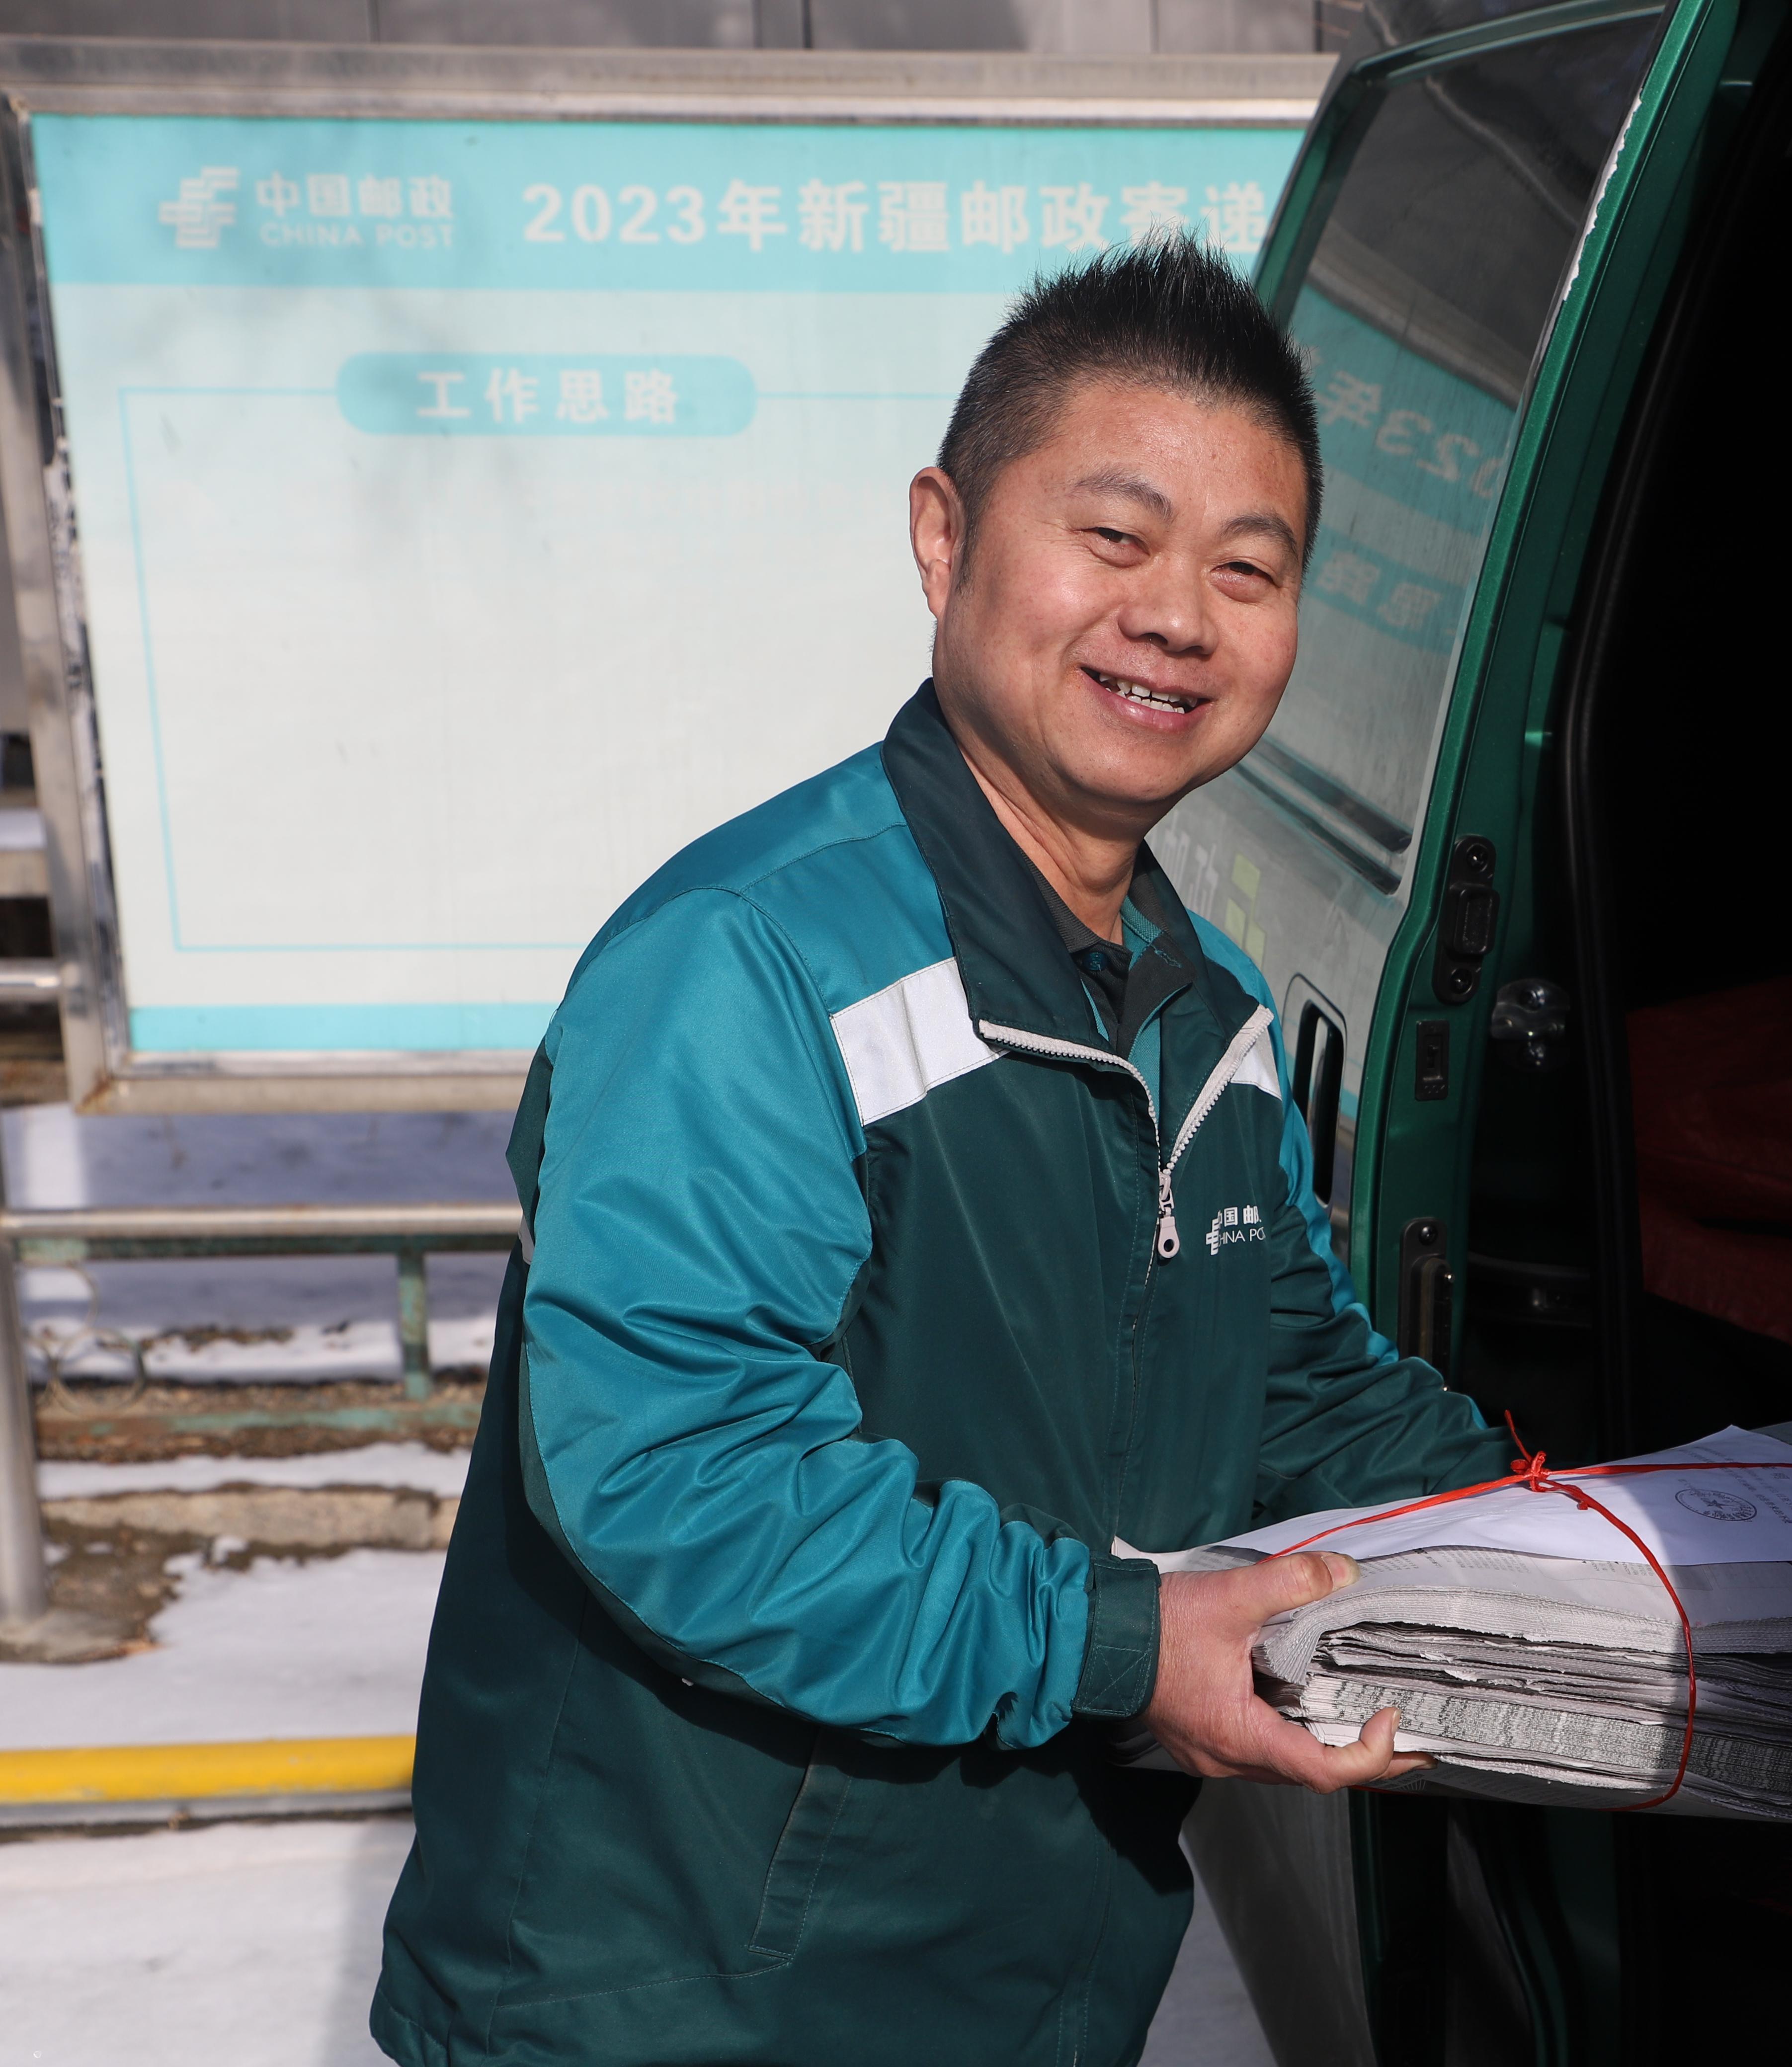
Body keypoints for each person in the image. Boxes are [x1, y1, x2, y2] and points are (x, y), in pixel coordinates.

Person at [371, 241, 1510, 2067]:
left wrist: (1621, 1538)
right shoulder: (748, 964)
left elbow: (1292, 1388)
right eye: (1115, 538)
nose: (1178, 618)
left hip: (1023, 1985)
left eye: (1248, 569)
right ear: (943, 535)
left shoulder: (1203, 1011)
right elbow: (684, 1478)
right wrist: (1127, 1646)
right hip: (687, 2006)